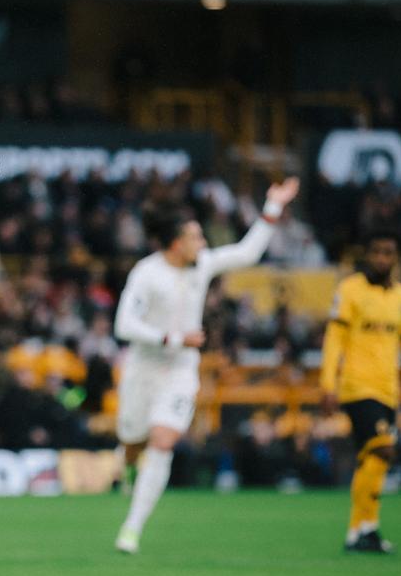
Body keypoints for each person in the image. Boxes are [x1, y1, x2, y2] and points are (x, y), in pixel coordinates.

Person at [112, 179, 300, 555]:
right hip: (144, 368)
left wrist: (273, 206)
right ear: (175, 243)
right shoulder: (146, 274)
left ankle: (131, 529)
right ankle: (130, 466)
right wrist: (173, 338)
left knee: (163, 441)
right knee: (133, 442)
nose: (203, 243)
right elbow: (124, 325)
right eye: (195, 237)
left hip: (181, 371)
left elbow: (247, 252)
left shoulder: (203, 265)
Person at [320, 230, 401, 553]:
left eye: (388, 253)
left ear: (397, 258)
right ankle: (361, 529)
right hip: (357, 387)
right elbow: (334, 339)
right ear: (367, 255)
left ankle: (363, 530)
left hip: (388, 390)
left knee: (373, 460)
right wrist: (327, 384)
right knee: (383, 449)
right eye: (376, 252)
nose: (381, 259)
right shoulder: (349, 290)